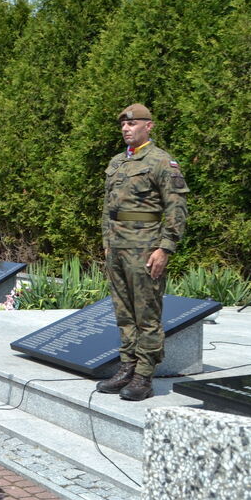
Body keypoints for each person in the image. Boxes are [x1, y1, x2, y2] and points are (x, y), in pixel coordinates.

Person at [96, 104, 188, 402]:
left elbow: (176, 209)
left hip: (145, 246)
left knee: (146, 313)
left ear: (149, 126)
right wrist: (107, 241)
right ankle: (127, 366)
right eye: (123, 124)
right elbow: (109, 209)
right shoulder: (117, 162)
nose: (126, 128)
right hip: (118, 247)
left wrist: (165, 248)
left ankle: (144, 376)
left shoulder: (161, 162)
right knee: (123, 312)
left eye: (133, 124)